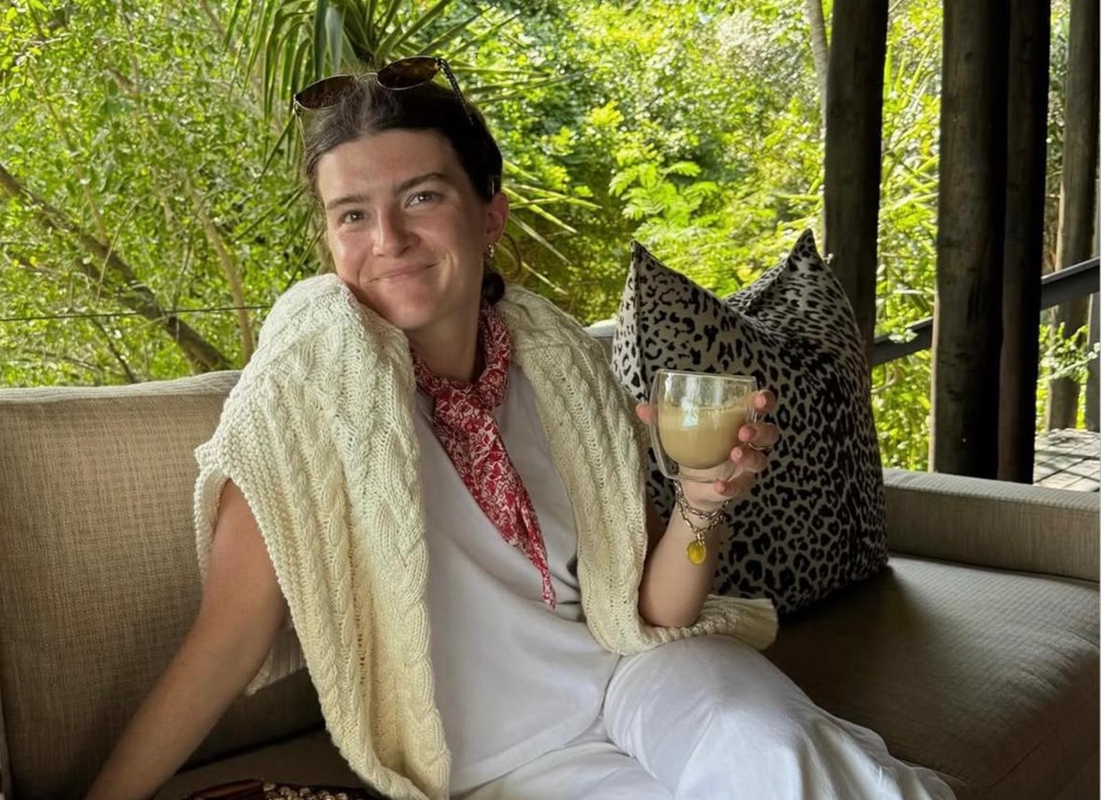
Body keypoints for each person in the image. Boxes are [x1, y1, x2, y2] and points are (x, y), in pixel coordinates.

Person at [86, 57, 954, 800]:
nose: (387, 238)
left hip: (647, 672)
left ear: (488, 215)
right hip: (512, 759)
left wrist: (702, 502)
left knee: (781, 755)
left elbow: (652, 612)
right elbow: (229, 640)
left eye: (421, 197)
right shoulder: (302, 398)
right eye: (351, 213)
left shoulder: (560, 367)